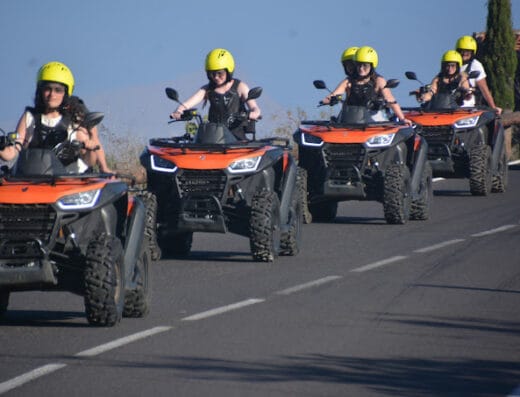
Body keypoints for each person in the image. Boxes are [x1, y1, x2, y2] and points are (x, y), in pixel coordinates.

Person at [0, 61, 111, 173]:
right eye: (47, 89)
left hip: (70, 183)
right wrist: (2, 147)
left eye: (58, 90)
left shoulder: (76, 119)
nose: (52, 94)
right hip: (32, 183)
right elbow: (12, 153)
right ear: (40, 91)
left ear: (66, 93)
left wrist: (92, 151)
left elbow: (89, 162)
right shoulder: (29, 117)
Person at [170, 48, 261, 140]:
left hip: (237, 140)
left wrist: (251, 114)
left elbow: (255, 108)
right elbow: (187, 104)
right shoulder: (207, 89)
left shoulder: (240, 87)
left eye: (220, 73)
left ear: (228, 71)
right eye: (212, 74)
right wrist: (179, 111)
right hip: (213, 138)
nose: (216, 77)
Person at [322, 46, 412, 125]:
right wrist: (330, 100)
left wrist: (402, 118)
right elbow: (333, 95)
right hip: (350, 122)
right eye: (358, 65)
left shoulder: (379, 81)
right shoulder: (348, 81)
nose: (361, 68)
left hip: (376, 122)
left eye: (365, 65)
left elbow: (391, 100)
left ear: (372, 66)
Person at [455, 35, 502, 115]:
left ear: (472, 52)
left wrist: (493, 107)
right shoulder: (453, 64)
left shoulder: (475, 65)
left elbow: (484, 88)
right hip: (449, 105)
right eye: (461, 51)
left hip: (467, 106)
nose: (464, 54)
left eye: (467, 51)